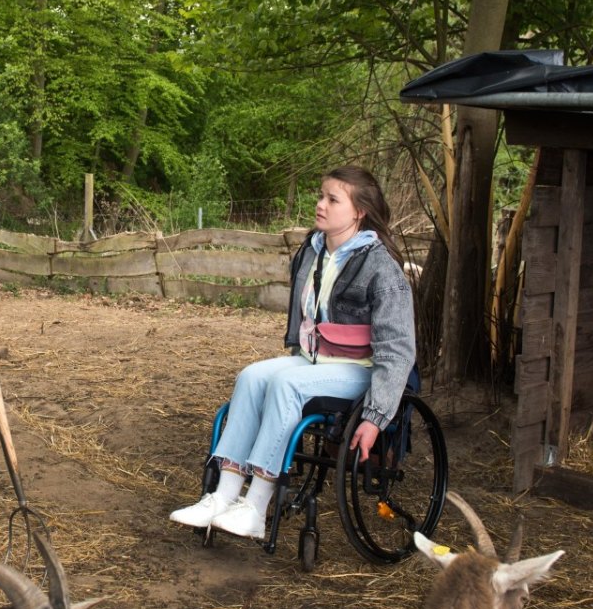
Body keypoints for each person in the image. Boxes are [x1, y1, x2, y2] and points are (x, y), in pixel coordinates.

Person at [169, 165, 414, 539]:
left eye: (333, 199)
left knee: (287, 384)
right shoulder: (313, 252)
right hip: (314, 361)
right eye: (321, 195)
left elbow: (398, 350)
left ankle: (256, 507)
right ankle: (224, 495)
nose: (320, 205)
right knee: (251, 376)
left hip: (360, 369)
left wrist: (376, 416)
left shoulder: (381, 267)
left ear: (359, 211)